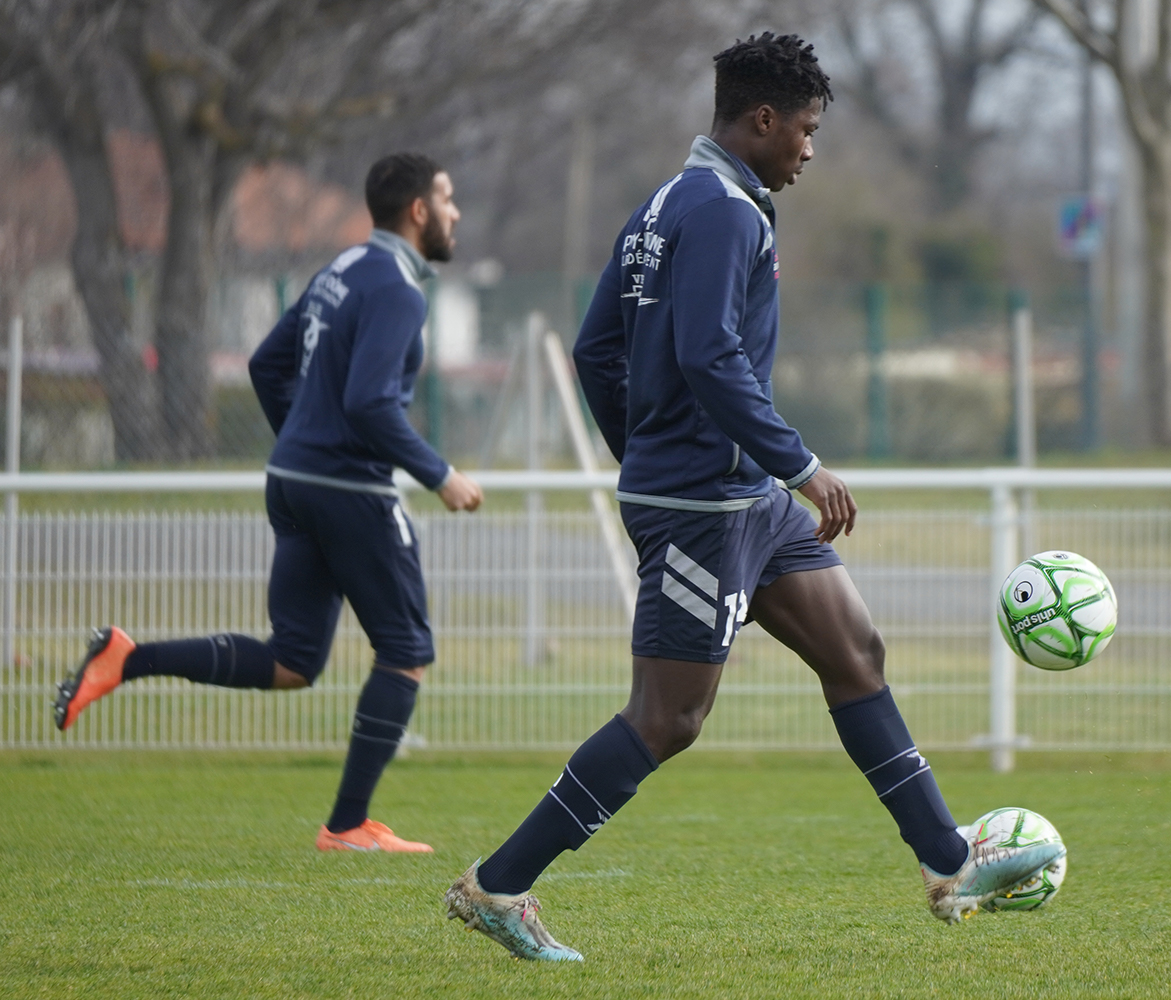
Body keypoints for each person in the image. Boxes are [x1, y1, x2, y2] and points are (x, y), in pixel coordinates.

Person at [442, 35, 1062, 962]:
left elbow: (593, 351)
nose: (811, 149)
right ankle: (498, 885)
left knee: (855, 650)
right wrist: (794, 465)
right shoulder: (728, 211)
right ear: (762, 120)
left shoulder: (665, 202)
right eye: (805, 130)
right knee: (668, 718)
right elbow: (706, 354)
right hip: (705, 504)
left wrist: (649, 451)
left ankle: (947, 859)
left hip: (734, 497)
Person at [53, 152, 485, 853]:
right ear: (417, 210)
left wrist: (306, 446)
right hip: (349, 489)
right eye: (448, 198)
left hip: (293, 480)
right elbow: (371, 403)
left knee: (293, 661)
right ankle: (347, 826)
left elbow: (265, 364)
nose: (455, 212)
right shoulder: (398, 290)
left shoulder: (339, 272)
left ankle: (126, 659)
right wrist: (441, 475)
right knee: (406, 651)